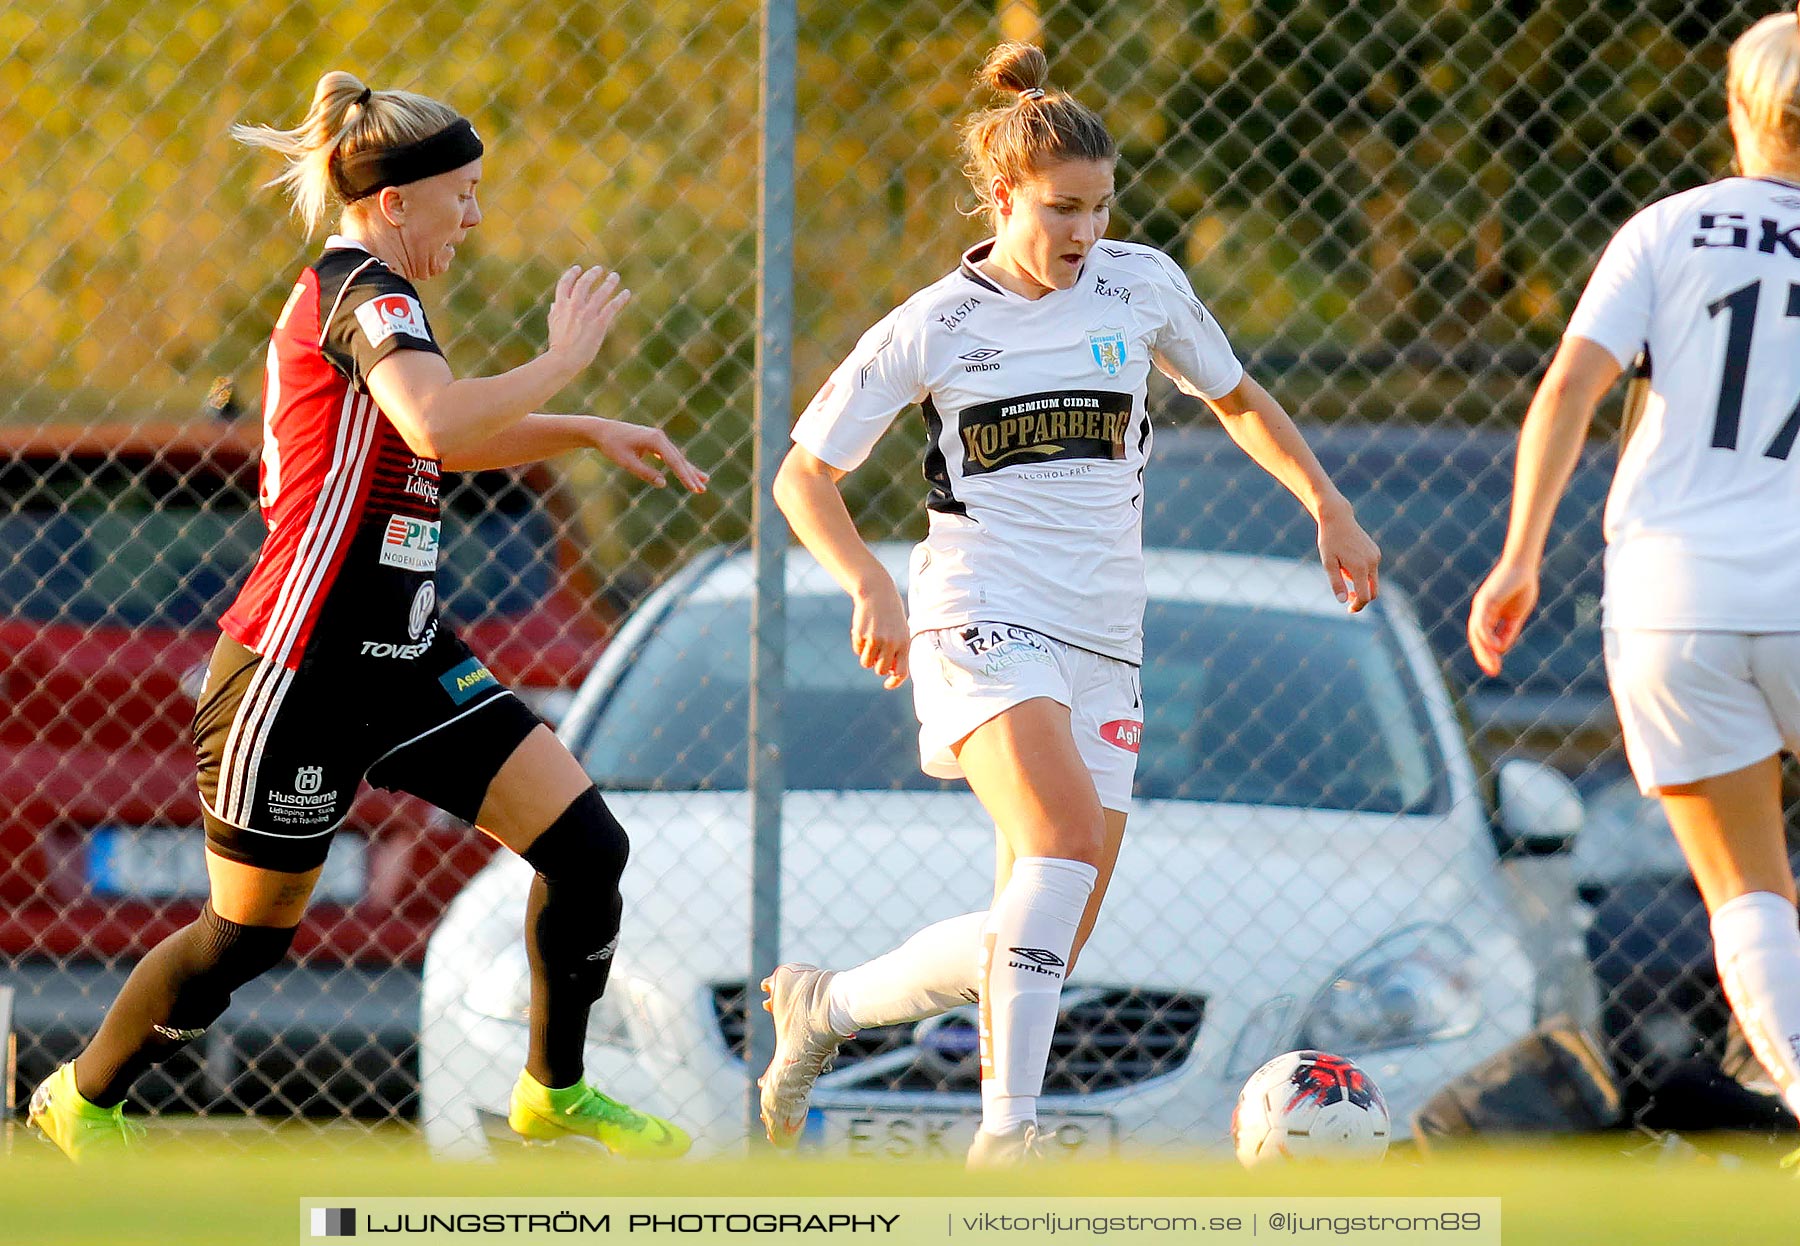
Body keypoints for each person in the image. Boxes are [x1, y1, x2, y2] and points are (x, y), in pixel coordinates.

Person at [26, 71, 707, 1162]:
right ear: (395, 200)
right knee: (244, 940)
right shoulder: (362, 290)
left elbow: (444, 439)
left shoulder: (387, 303)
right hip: (297, 672)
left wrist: (582, 425)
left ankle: (554, 1090)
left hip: (405, 662)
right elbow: (438, 419)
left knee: (586, 846)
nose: (475, 216)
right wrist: (561, 361)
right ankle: (86, 1093)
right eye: (464, 192)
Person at [761, 43, 1380, 1166]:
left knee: (1044, 925)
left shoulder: (1143, 286)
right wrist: (868, 580)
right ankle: (1007, 1140)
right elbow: (802, 475)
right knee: (1056, 843)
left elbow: (1238, 399)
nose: (1083, 231)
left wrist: (1327, 505)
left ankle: (831, 1005)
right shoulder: (936, 323)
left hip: (1106, 635)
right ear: (1004, 198)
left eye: (1099, 206)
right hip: (980, 612)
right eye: (1060, 210)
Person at [1470, 10, 1800, 1157]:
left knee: (1746, 892)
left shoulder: (1669, 230)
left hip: (1677, 596)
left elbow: (1568, 389)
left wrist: (1520, 556)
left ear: (1738, 111)